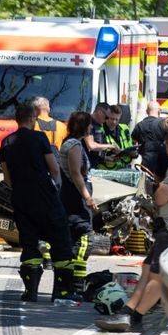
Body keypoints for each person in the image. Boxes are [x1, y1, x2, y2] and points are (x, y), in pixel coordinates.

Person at [96, 124, 168, 332]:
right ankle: (128, 310)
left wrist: (161, 191)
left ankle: (135, 317)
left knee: (158, 275)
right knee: (147, 268)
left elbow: (159, 198)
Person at [0, 103, 77, 303]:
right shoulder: (39, 137)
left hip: (21, 199)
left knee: (29, 243)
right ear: (33, 119)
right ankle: (61, 292)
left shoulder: (7, 142)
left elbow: (6, 176)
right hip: (45, 197)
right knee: (61, 241)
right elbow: (54, 168)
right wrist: (54, 187)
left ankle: (30, 291)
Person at [58, 112, 97, 293]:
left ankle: (70, 286)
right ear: (84, 127)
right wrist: (87, 197)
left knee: (75, 241)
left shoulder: (74, 144)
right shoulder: (73, 145)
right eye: (89, 126)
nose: (91, 129)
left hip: (72, 200)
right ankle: (75, 285)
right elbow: (76, 174)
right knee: (84, 240)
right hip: (74, 201)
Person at [131, 101, 166, 173]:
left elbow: (133, 143)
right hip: (162, 163)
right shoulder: (164, 124)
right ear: (159, 111)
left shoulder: (139, 125)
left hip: (145, 163)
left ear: (147, 111)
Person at [84, 102, 120, 169]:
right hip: (86, 164)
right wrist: (110, 146)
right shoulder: (87, 122)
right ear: (100, 112)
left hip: (95, 164)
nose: (107, 120)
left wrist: (106, 158)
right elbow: (91, 145)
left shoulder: (99, 125)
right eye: (106, 117)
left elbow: (97, 148)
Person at [98, 105, 134, 169]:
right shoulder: (100, 130)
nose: (114, 122)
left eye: (116, 119)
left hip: (124, 169)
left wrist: (133, 153)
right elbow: (96, 153)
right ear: (106, 117)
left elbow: (130, 147)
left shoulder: (124, 128)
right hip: (106, 172)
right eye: (112, 119)